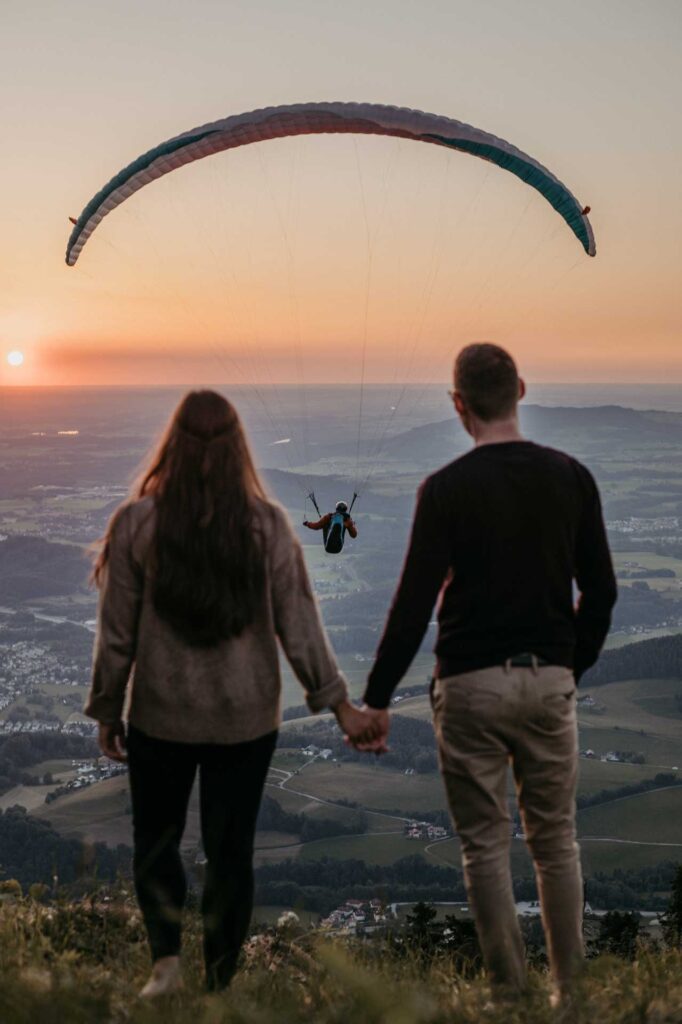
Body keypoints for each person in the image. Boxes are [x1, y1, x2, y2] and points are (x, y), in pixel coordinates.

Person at [85, 390, 382, 997]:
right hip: (245, 721)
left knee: (157, 840)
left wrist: (108, 709)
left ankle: (165, 965)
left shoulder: (137, 523)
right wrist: (340, 705)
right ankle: (219, 983)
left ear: (172, 444)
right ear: (238, 449)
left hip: (160, 715)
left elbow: (116, 633)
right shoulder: (266, 526)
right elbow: (299, 624)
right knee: (230, 852)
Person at [353, 343, 617, 1005]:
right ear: (521, 389)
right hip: (548, 681)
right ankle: (573, 997)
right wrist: (568, 666)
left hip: (469, 686)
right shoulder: (572, 477)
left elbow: (413, 606)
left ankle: (510, 998)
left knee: (484, 848)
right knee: (556, 842)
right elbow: (603, 593)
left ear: (458, 405)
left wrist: (377, 700)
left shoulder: (445, 490)